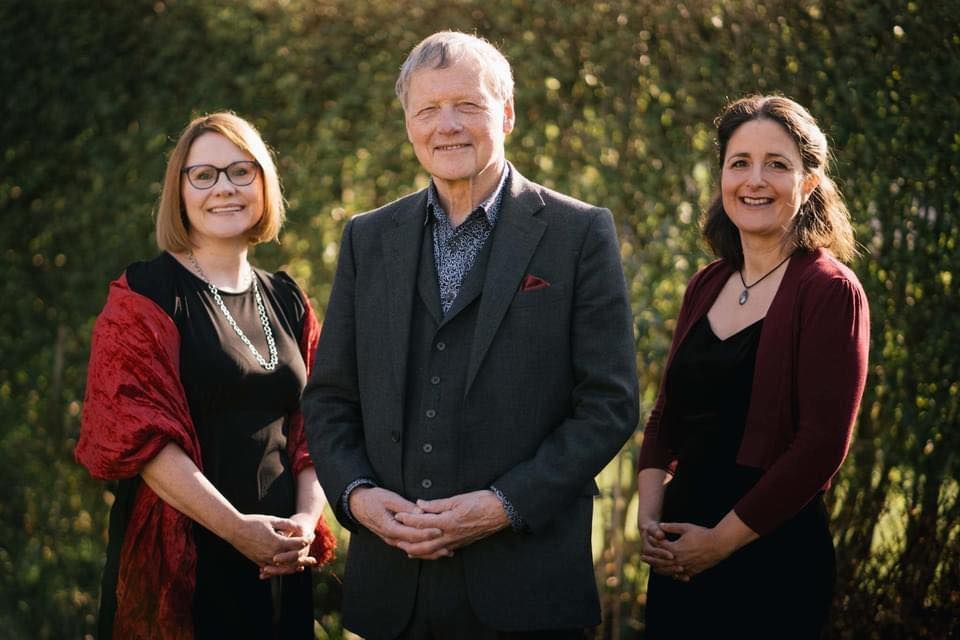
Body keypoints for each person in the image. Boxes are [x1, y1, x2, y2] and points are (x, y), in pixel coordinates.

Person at [303, 31, 638, 639]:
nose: (446, 126)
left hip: (528, 589)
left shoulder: (579, 232)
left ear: (506, 113)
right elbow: (329, 398)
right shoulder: (367, 238)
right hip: (394, 593)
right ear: (408, 123)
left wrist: (503, 506)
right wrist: (355, 497)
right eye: (427, 109)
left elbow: (609, 407)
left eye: (468, 105)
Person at [76, 112, 335, 639]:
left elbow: (319, 423)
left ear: (264, 183)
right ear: (180, 190)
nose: (225, 188)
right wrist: (238, 531)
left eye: (242, 172)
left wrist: (305, 524)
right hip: (186, 563)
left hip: (280, 561)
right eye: (205, 175)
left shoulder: (287, 298)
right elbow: (141, 440)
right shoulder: (144, 296)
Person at [636, 95, 870, 638]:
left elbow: (819, 449)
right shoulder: (707, 283)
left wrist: (717, 543)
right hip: (678, 554)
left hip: (769, 557)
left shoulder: (830, 291)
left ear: (809, 183)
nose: (754, 180)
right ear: (722, 174)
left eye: (777, 164)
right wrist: (650, 519)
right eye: (739, 162)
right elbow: (666, 416)